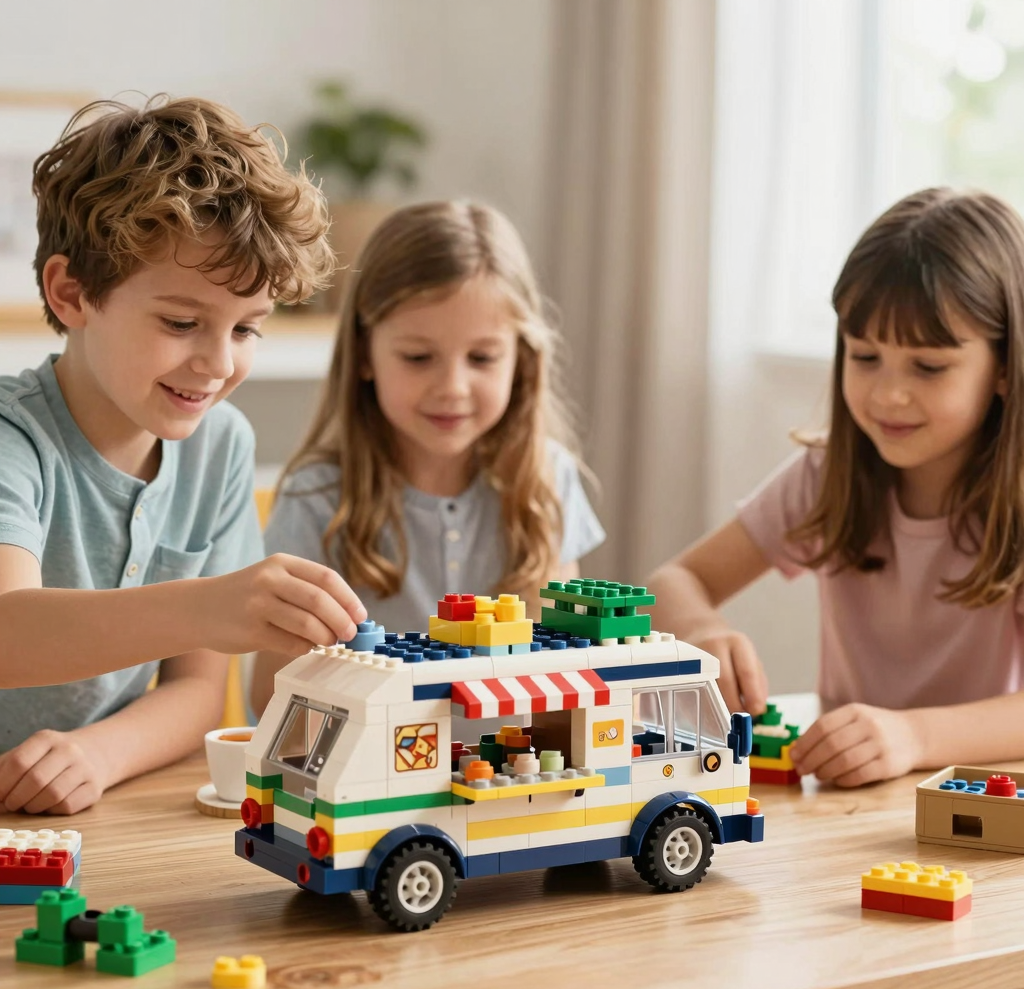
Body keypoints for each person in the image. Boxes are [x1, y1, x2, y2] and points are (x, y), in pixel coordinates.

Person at [0, 95, 367, 815]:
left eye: (247, 329)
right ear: (70, 293)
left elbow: (200, 692)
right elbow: (9, 631)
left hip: (74, 818)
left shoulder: (219, 443)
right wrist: (211, 607)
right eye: (181, 321)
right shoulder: (14, 440)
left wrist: (96, 754)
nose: (217, 362)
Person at [649, 187, 1024, 788]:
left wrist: (914, 735)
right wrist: (700, 631)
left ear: (1005, 367)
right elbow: (675, 580)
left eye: (928, 367)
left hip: (986, 810)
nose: (887, 395)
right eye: (865, 356)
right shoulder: (827, 476)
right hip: (849, 803)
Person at [251, 200, 605, 716]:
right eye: (418, 357)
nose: (453, 388)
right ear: (366, 353)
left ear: (521, 361)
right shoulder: (317, 499)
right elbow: (270, 697)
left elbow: (569, 669)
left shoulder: (548, 479)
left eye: (482, 358)